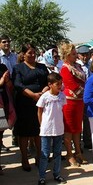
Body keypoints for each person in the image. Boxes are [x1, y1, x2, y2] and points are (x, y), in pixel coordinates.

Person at [13, 43, 49, 172]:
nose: (32, 55)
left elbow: (47, 82)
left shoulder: (42, 67)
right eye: (29, 53)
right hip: (24, 103)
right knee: (24, 133)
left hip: (41, 102)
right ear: (23, 54)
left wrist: (42, 93)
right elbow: (18, 84)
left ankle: (40, 157)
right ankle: (24, 158)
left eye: (34, 52)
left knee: (39, 131)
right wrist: (33, 95)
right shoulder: (18, 68)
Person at [59, 43, 87, 167]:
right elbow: (71, 85)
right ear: (67, 55)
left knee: (77, 128)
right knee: (68, 129)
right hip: (69, 101)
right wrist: (88, 93)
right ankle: (69, 154)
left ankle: (78, 152)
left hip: (79, 101)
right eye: (74, 54)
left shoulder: (77, 66)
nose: (76, 56)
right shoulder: (65, 68)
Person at [36, 72, 67, 185]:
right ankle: (42, 176)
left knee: (57, 153)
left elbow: (61, 110)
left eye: (60, 83)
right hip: (47, 129)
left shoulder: (62, 96)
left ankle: (57, 174)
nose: (59, 86)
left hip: (58, 129)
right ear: (50, 84)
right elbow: (39, 111)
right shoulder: (45, 96)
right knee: (45, 153)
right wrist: (41, 125)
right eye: (57, 84)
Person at [0, 63, 16, 175]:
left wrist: (7, 81)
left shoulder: (2, 67)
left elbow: (10, 87)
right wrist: (1, 81)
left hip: (3, 106)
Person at [76, 45, 92, 150]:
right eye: (83, 55)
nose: (85, 57)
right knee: (78, 121)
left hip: (89, 96)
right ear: (79, 55)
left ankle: (87, 141)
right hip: (79, 96)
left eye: (87, 55)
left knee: (87, 120)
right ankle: (77, 144)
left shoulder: (92, 65)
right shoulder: (77, 66)